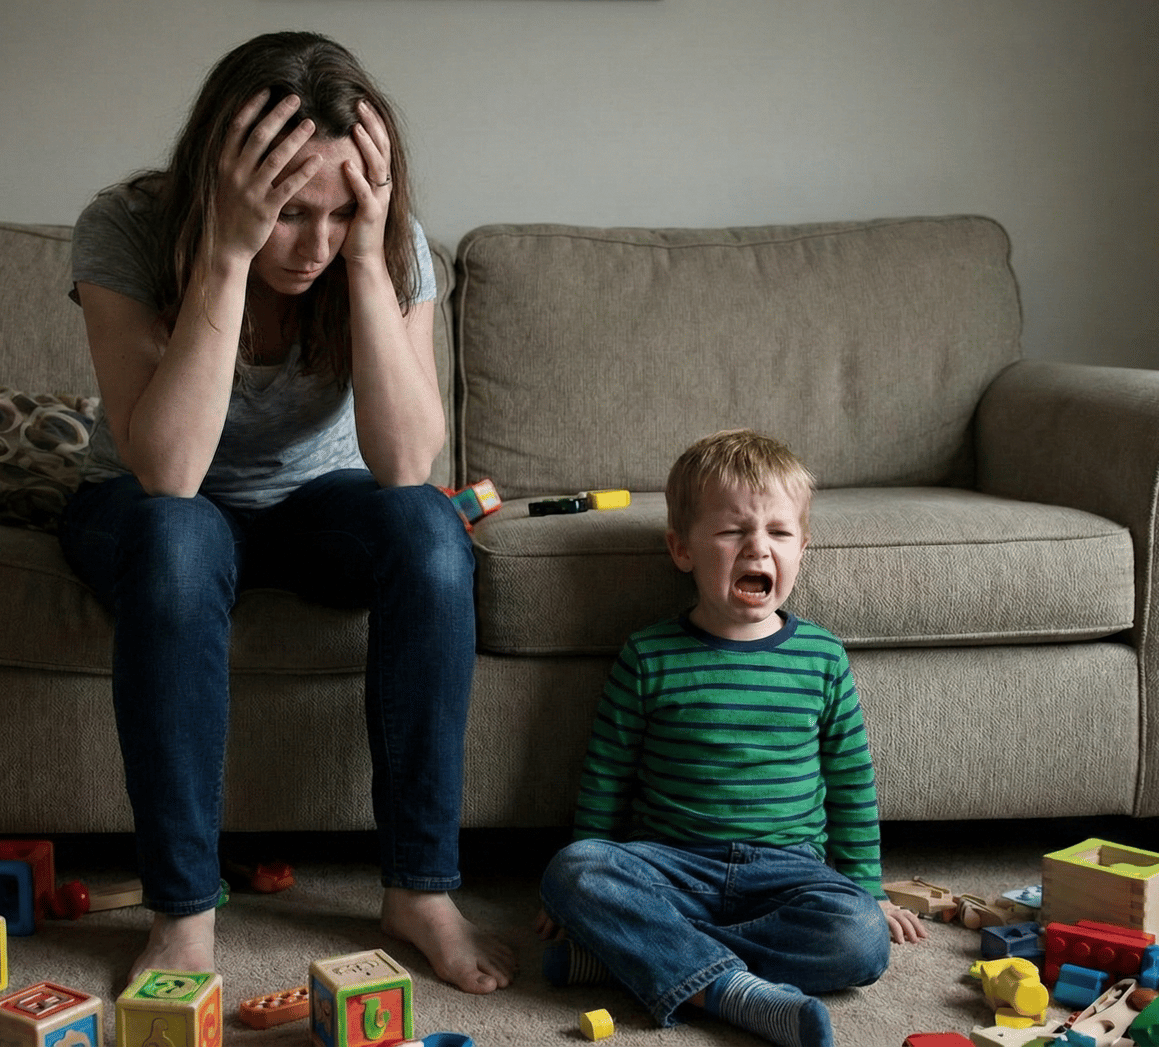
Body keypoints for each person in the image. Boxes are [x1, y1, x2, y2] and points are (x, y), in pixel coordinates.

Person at [58, 31, 513, 994]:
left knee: (433, 531)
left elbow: (403, 464)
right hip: (149, 505)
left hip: (318, 504)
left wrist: (369, 254)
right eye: (287, 212)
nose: (312, 243)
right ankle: (182, 911)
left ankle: (420, 890)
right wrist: (226, 252)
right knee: (181, 540)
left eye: (341, 209)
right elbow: (171, 471)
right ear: (224, 184)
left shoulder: (383, 248)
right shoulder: (128, 228)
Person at [535, 429, 927, 1047]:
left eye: (779, 532)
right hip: (672, 864)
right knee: (573, 872)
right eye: (731, 532)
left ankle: (633, 961)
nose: (758, 548)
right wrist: (579, 891)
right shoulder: (648, 655)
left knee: (860, 940)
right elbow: (606, 777)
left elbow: (852, 783)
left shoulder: (823, 658)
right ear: (682, 549)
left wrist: (870, 888)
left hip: (789, 871)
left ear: (801, 548)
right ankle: (733, 992)